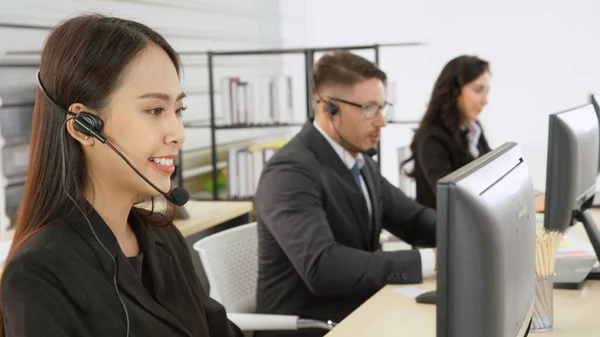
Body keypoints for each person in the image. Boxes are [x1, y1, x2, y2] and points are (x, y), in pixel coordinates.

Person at [0, 14, 243, 337]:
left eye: (178, 110)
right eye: (155, 110)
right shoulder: (38, 274)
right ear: (85, 127)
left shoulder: (162, 237)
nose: (178, 133)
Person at [253, 50, 437, 337]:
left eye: (382, 107)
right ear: (329, 109)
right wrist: (431, 260)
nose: (381, 122)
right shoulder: (289, 172)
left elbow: (413, 220)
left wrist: (467, 234)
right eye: (369, 108)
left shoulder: (360, 161)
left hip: (361, 311)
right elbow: (324, 267)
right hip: (314, 327)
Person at [400, 55, 493, 210]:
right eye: (478, 91)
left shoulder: (473, 129)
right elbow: (453, 200)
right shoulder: (431, 139)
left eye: (487, 91)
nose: (485, 101)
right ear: (454, 91)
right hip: (444, 231)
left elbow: (492, 173)